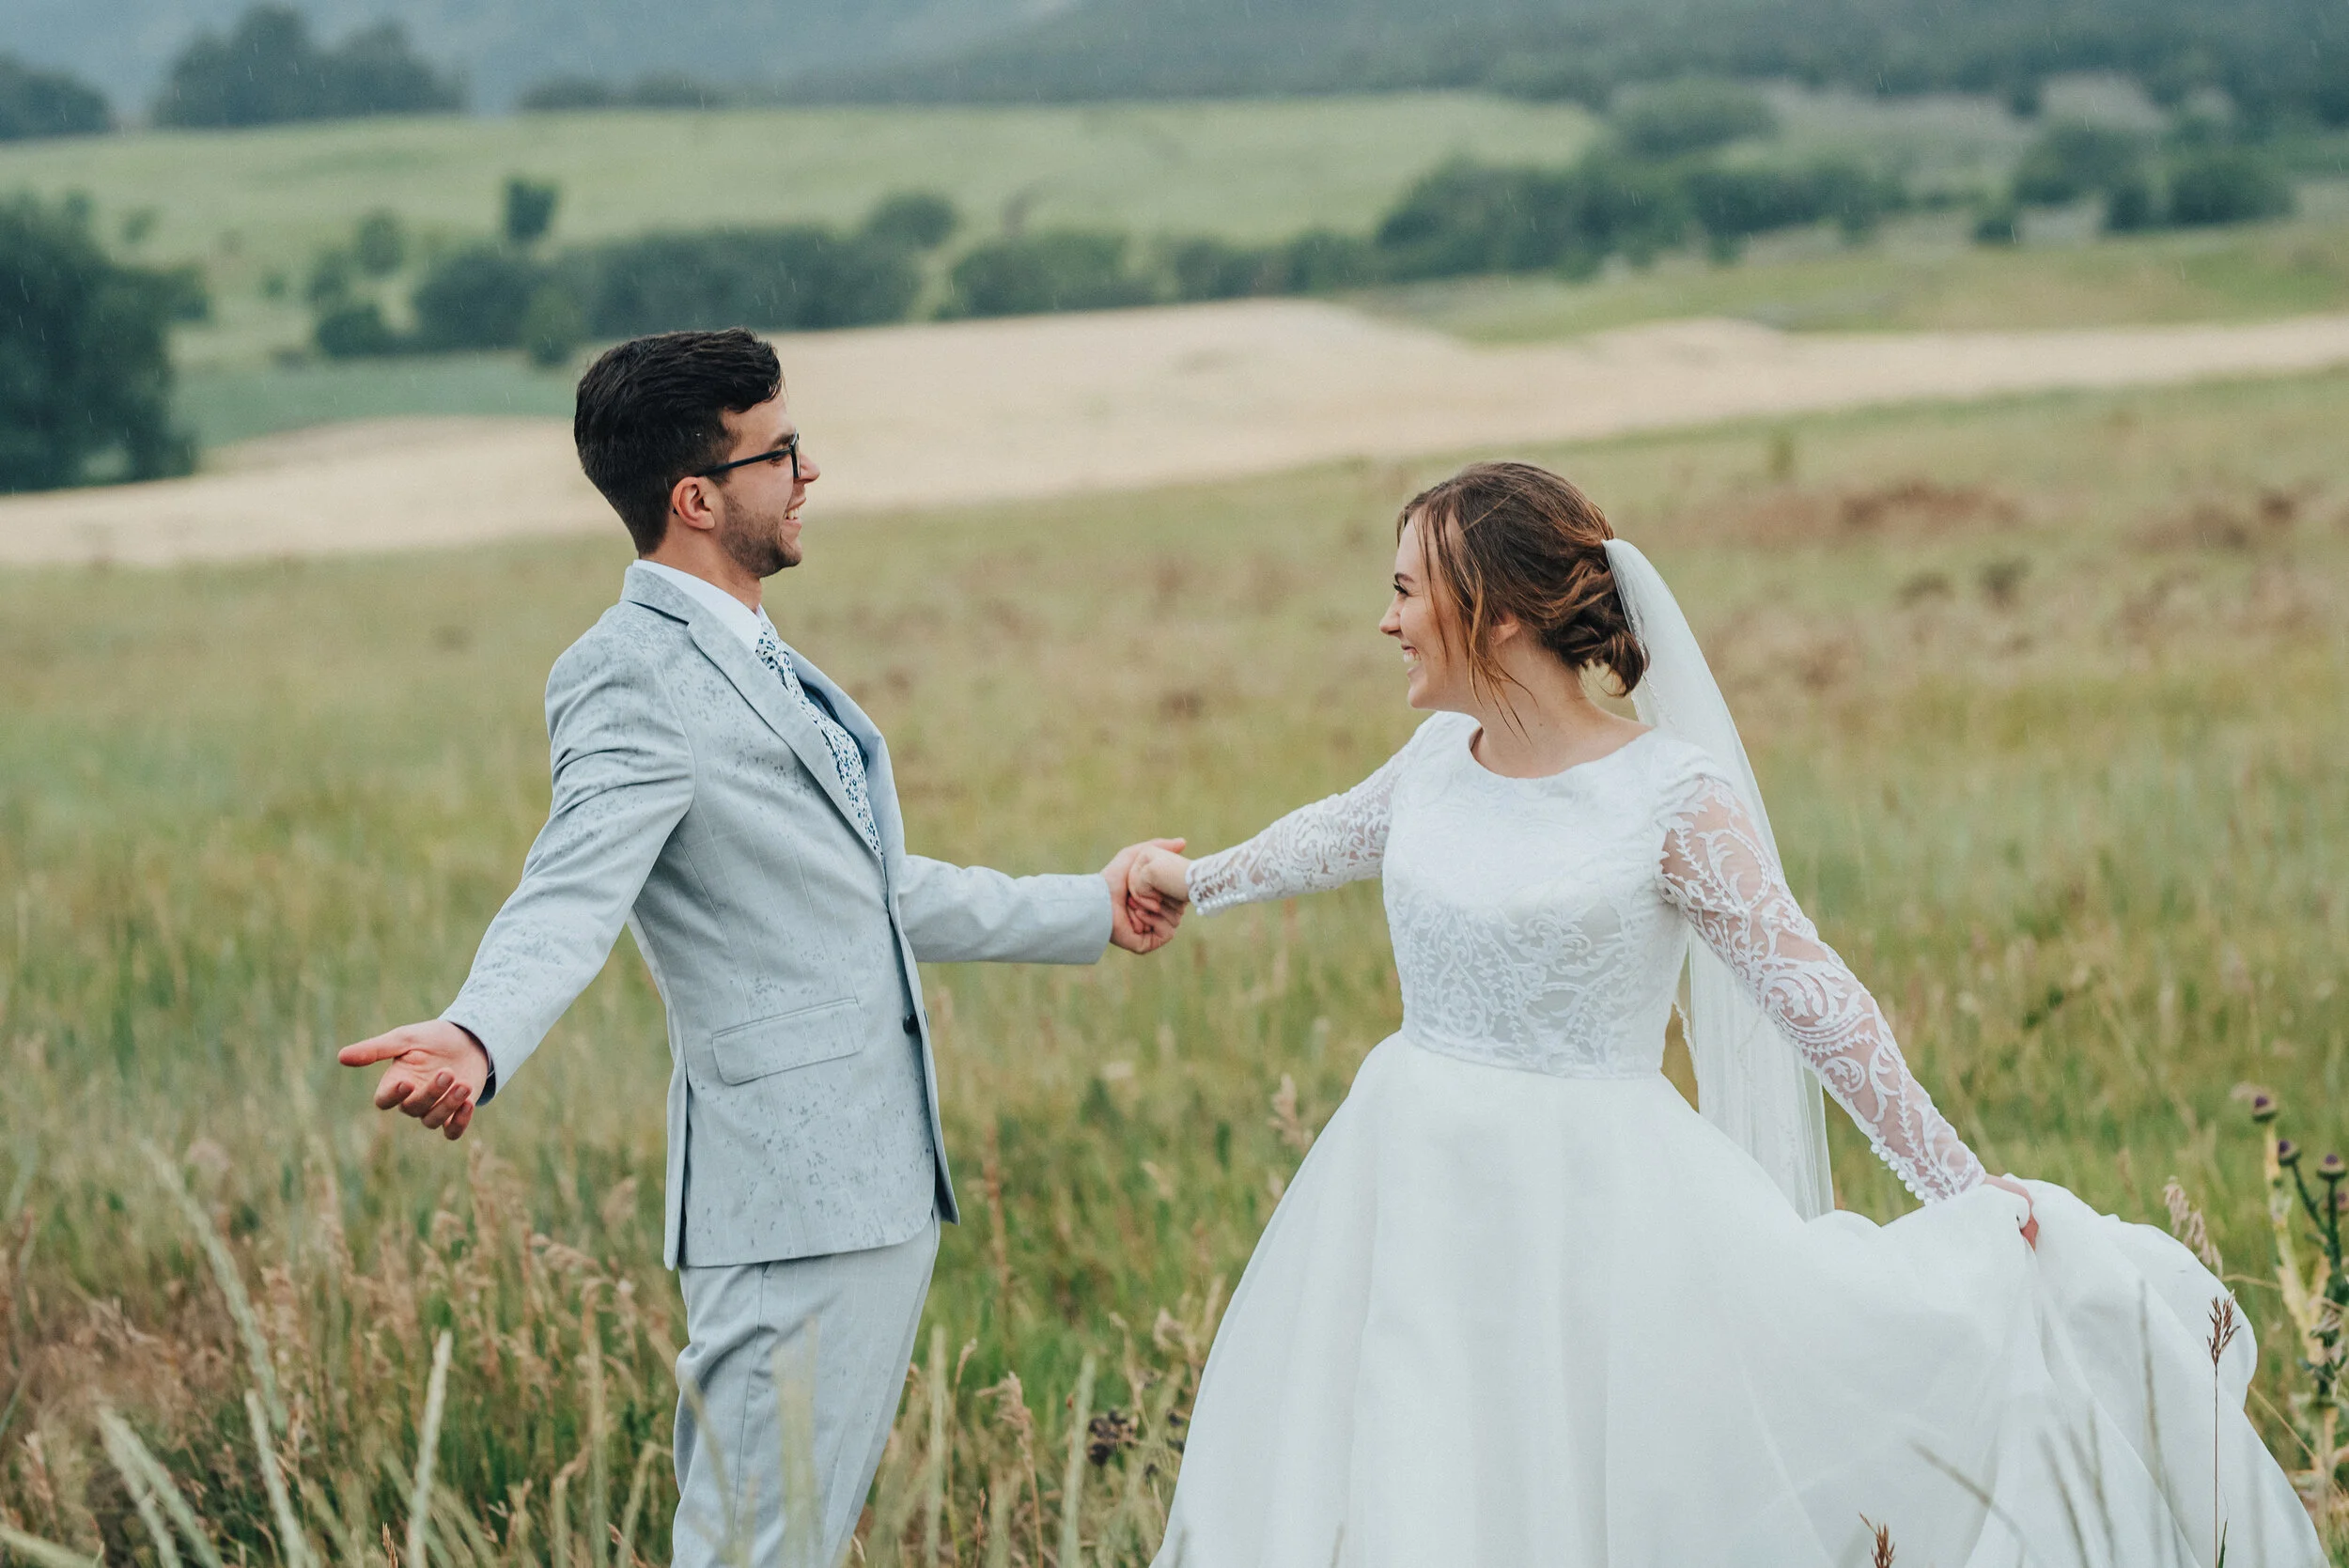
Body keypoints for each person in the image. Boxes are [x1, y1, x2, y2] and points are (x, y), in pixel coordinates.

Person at [1126, 461, 2321, 1567]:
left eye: (1405, 592)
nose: (1385, 619)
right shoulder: (1439, 757)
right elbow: (1326, 833)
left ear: (1493, 613)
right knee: (1412, 1458)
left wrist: (1957, 1188)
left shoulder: (1665, 798)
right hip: (1404, 1181)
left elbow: (1813, 997)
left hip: (1594, 1206)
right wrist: (1194, 879)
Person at [337, 329, 1183, 1568]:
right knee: (749, 1547)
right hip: (784, 1201)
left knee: (798, 1533)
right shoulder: (630, 676)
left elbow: (871, 888)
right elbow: (571, 886)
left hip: (876, 1182)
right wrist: (478, 1028)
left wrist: (1086, 908)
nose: (810, 473)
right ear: (696, 498)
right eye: (780, 452)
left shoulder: (757, 654)